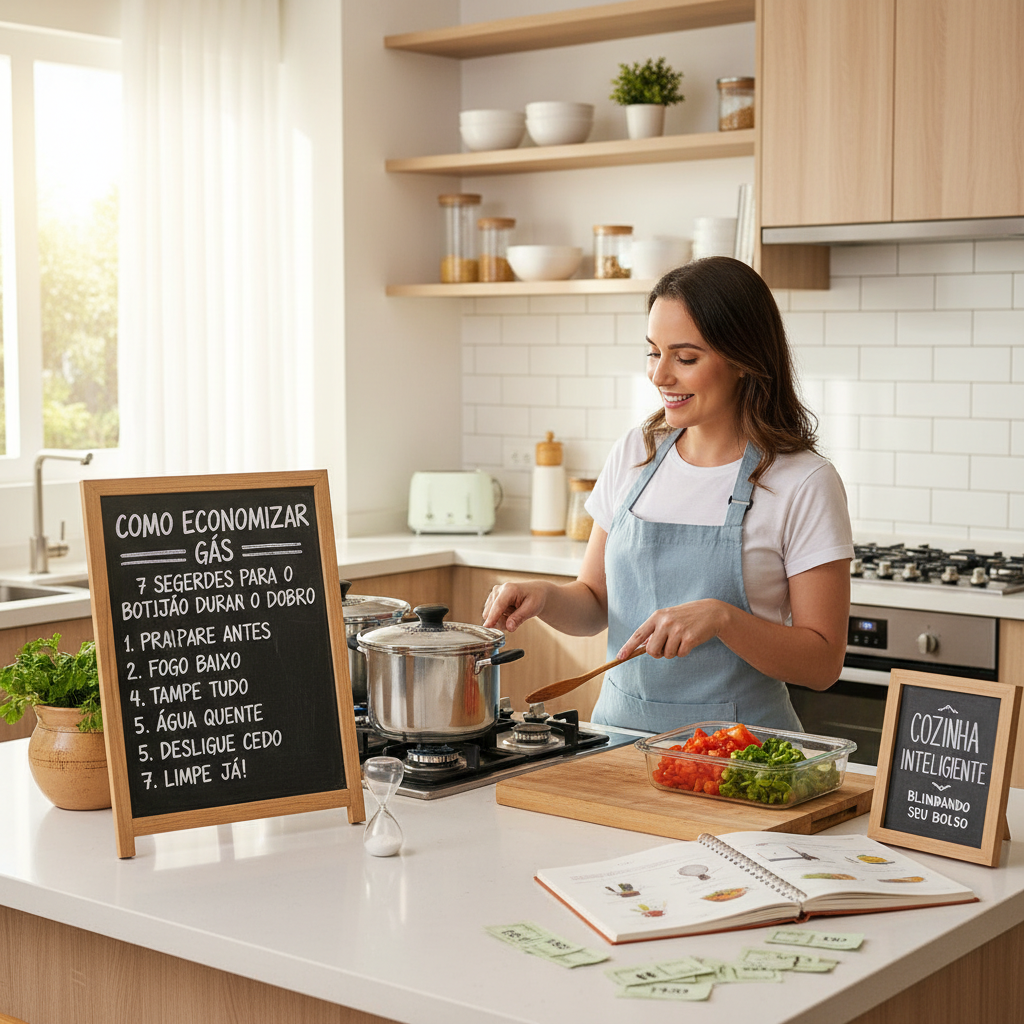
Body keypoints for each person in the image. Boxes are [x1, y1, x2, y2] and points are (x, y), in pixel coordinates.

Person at [482, 257, 853, 734]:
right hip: (617, 745)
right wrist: (544, 597)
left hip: (742, 760)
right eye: (653, 353)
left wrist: (723, 619)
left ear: (743, 361)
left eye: (685, 358)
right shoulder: (636, 452)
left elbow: (822, 664)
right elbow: (595, 603)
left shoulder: (803, 482)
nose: (659, 376)